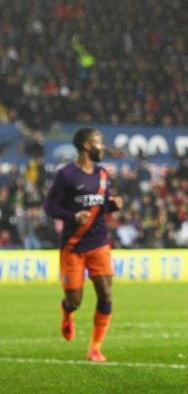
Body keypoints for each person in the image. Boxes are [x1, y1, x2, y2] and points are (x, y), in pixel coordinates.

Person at [43, 127, 123, 362]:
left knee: (106, 294)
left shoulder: (103, 174)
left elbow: (101, 205)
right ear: (87, 146)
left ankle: (95, 348)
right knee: (75, 300)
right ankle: (67, 313)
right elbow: (50, 207)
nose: (103, 147)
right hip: (73, 246)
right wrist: (73, 216)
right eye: (99, 142)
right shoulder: (66, 175)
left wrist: (113, 205)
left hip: (99, 243)